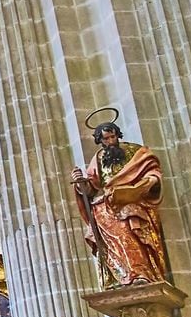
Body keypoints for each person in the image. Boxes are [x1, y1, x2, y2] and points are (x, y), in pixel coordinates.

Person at [71, 120, 166, 288]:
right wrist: (80, 182)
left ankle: (141, 273)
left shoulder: (135, 152)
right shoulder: (99, 158)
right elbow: (92, 187)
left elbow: (152, 170)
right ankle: (121, 275)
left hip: (132, 200)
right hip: (108, 204)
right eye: (105, 139)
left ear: (118, 135)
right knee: (101, 216)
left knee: (131, 224)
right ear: (100, 141)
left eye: (112, 137)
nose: (109, 141)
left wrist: (147, 182)